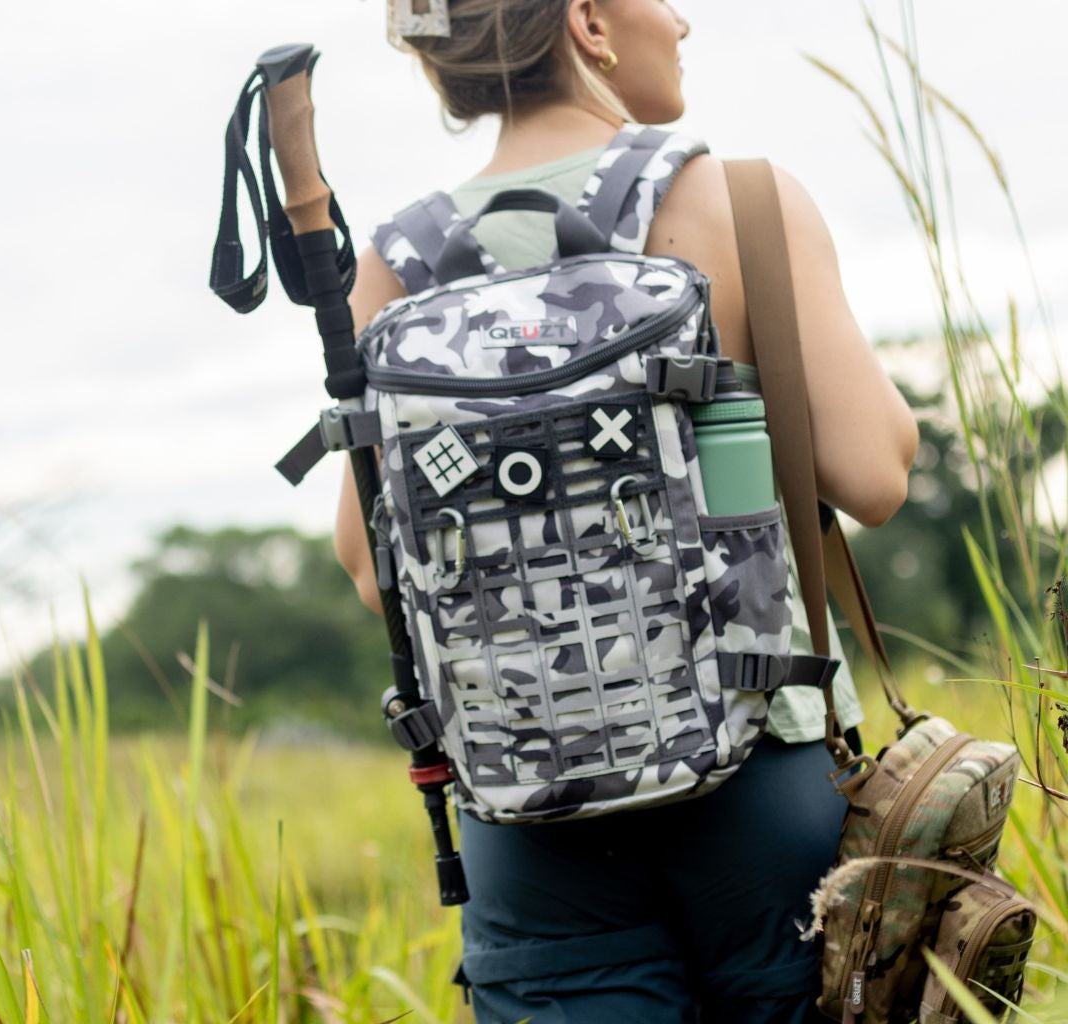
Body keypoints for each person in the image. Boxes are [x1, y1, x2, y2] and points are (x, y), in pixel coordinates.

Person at [327, 1, 920, 1020]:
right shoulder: (739, 199)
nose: (680, 20)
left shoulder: (396, 261)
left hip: (527, 822)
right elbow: (871, 474)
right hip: (760, 773)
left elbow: (364, 561)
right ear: (586, 21)